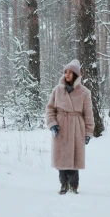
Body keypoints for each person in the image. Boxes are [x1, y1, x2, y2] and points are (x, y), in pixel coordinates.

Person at [46, 59, 94, 194]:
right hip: (60, 126)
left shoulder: (85, 92)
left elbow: (88, 114)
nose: (66, 75)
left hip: (76, 127)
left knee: (74, 158)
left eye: (69, 72)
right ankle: (63, 184)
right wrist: (52, 124)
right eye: (65, 72)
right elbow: (50, 109)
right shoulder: (57, 90)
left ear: (76, 74)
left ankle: (73, 185)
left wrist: (88, 132)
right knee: (61, 158)